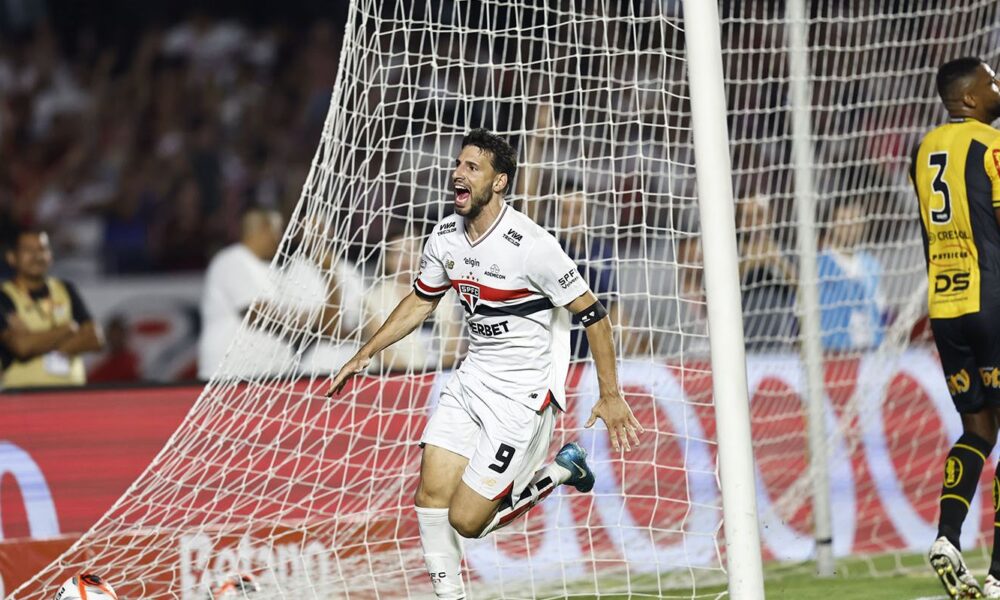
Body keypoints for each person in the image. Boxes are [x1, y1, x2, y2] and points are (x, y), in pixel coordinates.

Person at [328, 129, 643, 600]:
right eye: (459, 164)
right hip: (471, 380)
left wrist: (610, 394)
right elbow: (420, 300)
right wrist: (365, 352)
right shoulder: (443, 237)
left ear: (499, 182)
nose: (459, 172)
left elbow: (594, 315)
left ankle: (563, 469)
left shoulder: (532, 245)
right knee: (430, 497)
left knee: (468, 521)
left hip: (522, 396)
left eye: (472, 167)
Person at [913, 56, 1000, 599]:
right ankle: (997, 575)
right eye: (993, 80)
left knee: (979, 431)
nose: (999, 86)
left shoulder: (922, 149)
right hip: (993, 297)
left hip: (945, 307)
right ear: (969, 98)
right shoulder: (991, 146)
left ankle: (947, 538)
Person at [198, 208, 343, 380]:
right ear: (264, 229)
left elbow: (324, 323)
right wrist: (308, 322)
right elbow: (258, 313)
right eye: (278, 230)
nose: (281, 239)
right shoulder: (232, 259)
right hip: (229, 377)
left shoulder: (276, 272)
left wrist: (328, 275)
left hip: (272, 379)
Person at [0, 228, 104, 387]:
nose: (37, 256)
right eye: (28, 250)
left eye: (42, 249)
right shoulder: (4, 296)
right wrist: (67, 329)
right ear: (12, 257)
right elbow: (21, 347)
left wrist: (36, 340)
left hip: (73, 394)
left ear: (51, 255)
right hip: (23, 396)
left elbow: (95, 338)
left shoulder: (66, 289)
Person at [363, 229, 462, 371]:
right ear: (387, 259)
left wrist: (437, 374)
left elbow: (454, 345)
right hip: (396, 378)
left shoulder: (444, 291)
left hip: (441, 375)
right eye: (399, 253)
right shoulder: (373, 298)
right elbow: (381, 353)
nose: (406, 258)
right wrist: (414, 381)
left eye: (412, 250)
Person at [816, 198, 885, 352]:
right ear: (831, 226)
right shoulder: (818, 265)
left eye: (855, 221)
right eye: (843, 221)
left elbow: (880, 310)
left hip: (871, 353)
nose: (849, 228)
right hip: (833, 354)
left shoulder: (872, 265)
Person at [735, 194, 798, 352]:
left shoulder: (785, 252)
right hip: (740, 347)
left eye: (759, 215)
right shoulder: (729, 254)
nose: (753, 223)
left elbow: (802, 288)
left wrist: (778, 261)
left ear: (769, 217)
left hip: (781, 344)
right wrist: (751, 261)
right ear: (736, 221)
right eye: (747, 217)